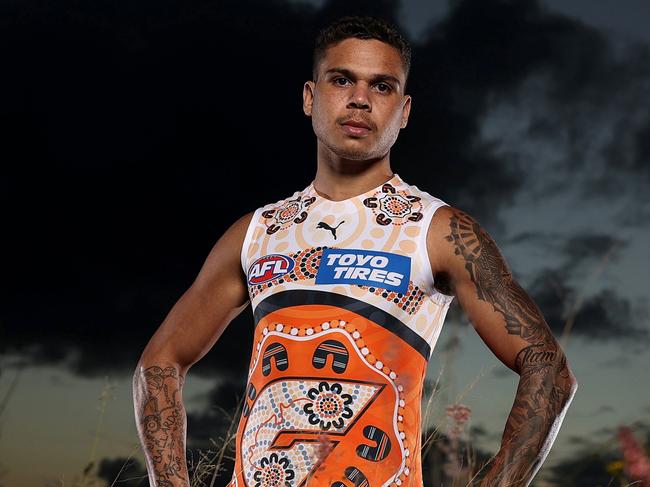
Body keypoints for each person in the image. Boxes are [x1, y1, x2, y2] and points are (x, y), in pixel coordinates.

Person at [133, 15, 578, 487]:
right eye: (341, 79)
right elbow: (157, 365)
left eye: (381, 86)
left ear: (403, 111)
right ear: (310, 97)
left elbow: (548, 370)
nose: (360, 99)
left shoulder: (437, 230)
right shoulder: (257, 232)